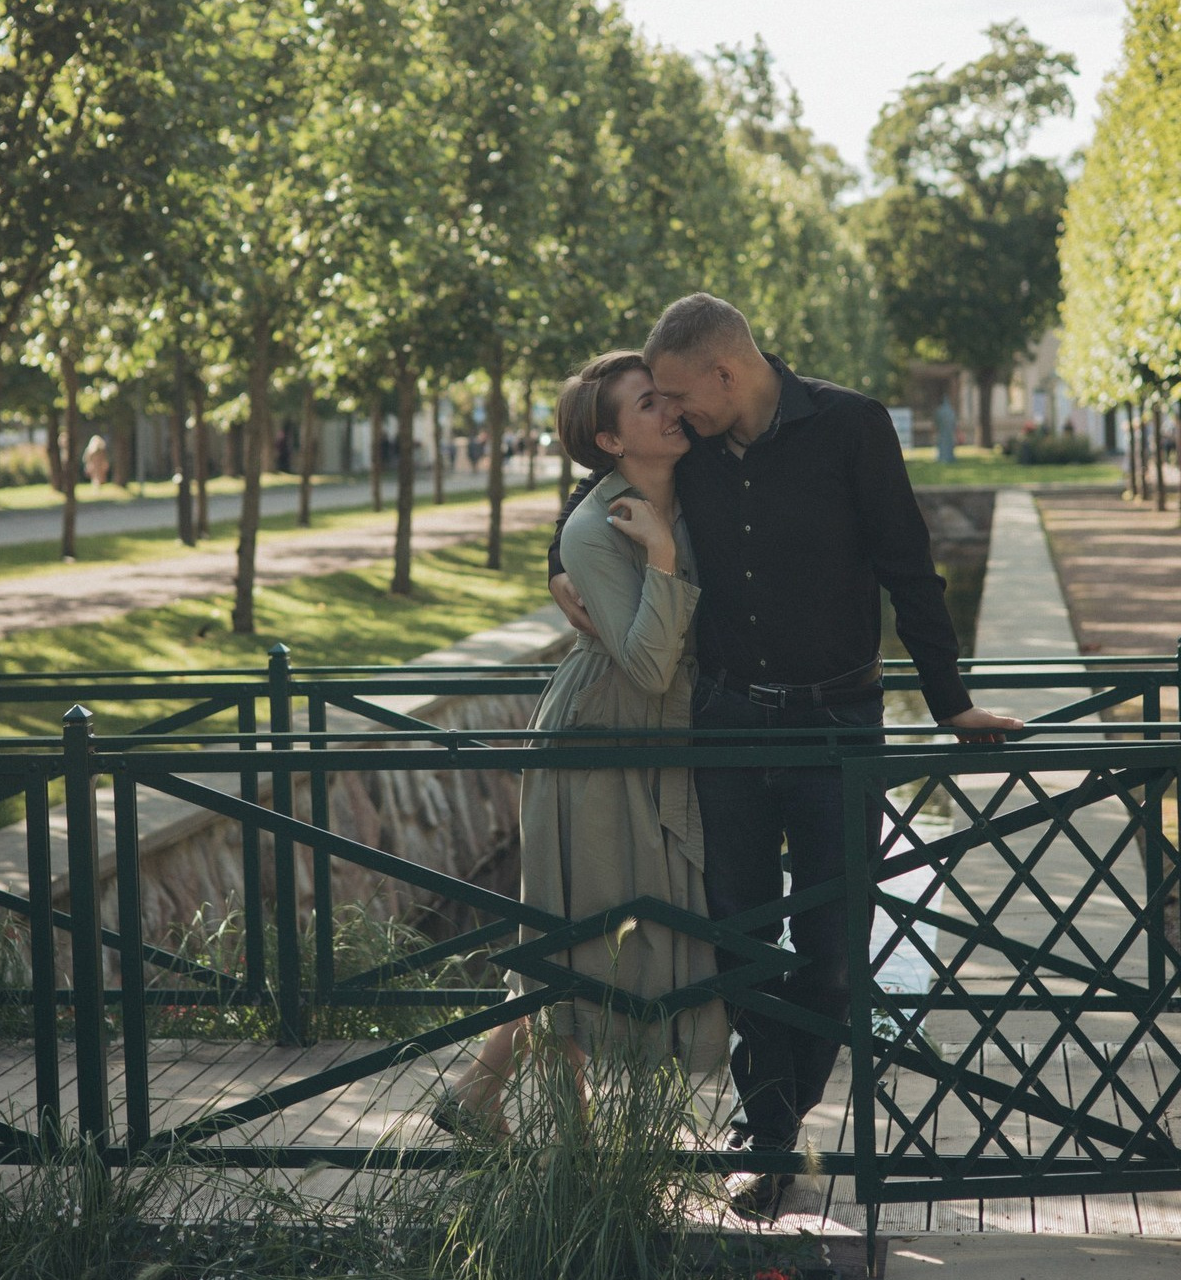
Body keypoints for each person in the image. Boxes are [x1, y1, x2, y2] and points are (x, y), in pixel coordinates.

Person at [548, 294, 1022, 1215]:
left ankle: (777, 1113)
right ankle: (766, 1142)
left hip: (839, 730)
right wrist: (554, 568)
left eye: (681, 396)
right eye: (664, 404)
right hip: (724, 727)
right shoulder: (695, 455)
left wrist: (951, 702)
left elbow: (908, 567)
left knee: (836, 953)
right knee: (741, 942)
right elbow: (593, 494)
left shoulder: (852, 427)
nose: (673, 415)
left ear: (727, 373)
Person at [433, 351, 727, 1138]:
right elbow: (648, 665)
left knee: (582, 929)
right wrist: (660, 559)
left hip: (657, 732)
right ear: (610, 441)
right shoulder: (599, 529)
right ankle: (574, 1136)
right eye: (646, 405)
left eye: (667, 395)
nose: (670, 410)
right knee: (576, 929)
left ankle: (481, 1095)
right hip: (600, 732)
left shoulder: (695, 485)